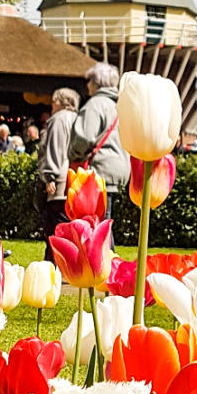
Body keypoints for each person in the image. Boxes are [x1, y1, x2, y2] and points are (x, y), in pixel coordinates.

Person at [68, 62, 130, 212]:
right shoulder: (120, 106)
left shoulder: (94, 105)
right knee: (105, 220)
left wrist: (74, 154)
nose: (87, 85)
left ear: (96, 83)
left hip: (100, 169)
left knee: (98, 224)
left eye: (89, 81)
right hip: (119, 169)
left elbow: (84, 138)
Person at [37, 86, 79, 253]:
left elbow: (55, 149)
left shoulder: (58, 120)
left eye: (53, 101)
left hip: (59, 183)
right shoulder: (78, 119)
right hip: (74, 179)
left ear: (60, 102)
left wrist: (50, 177)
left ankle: (53, 267)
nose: (52, 105)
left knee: (55, 229)